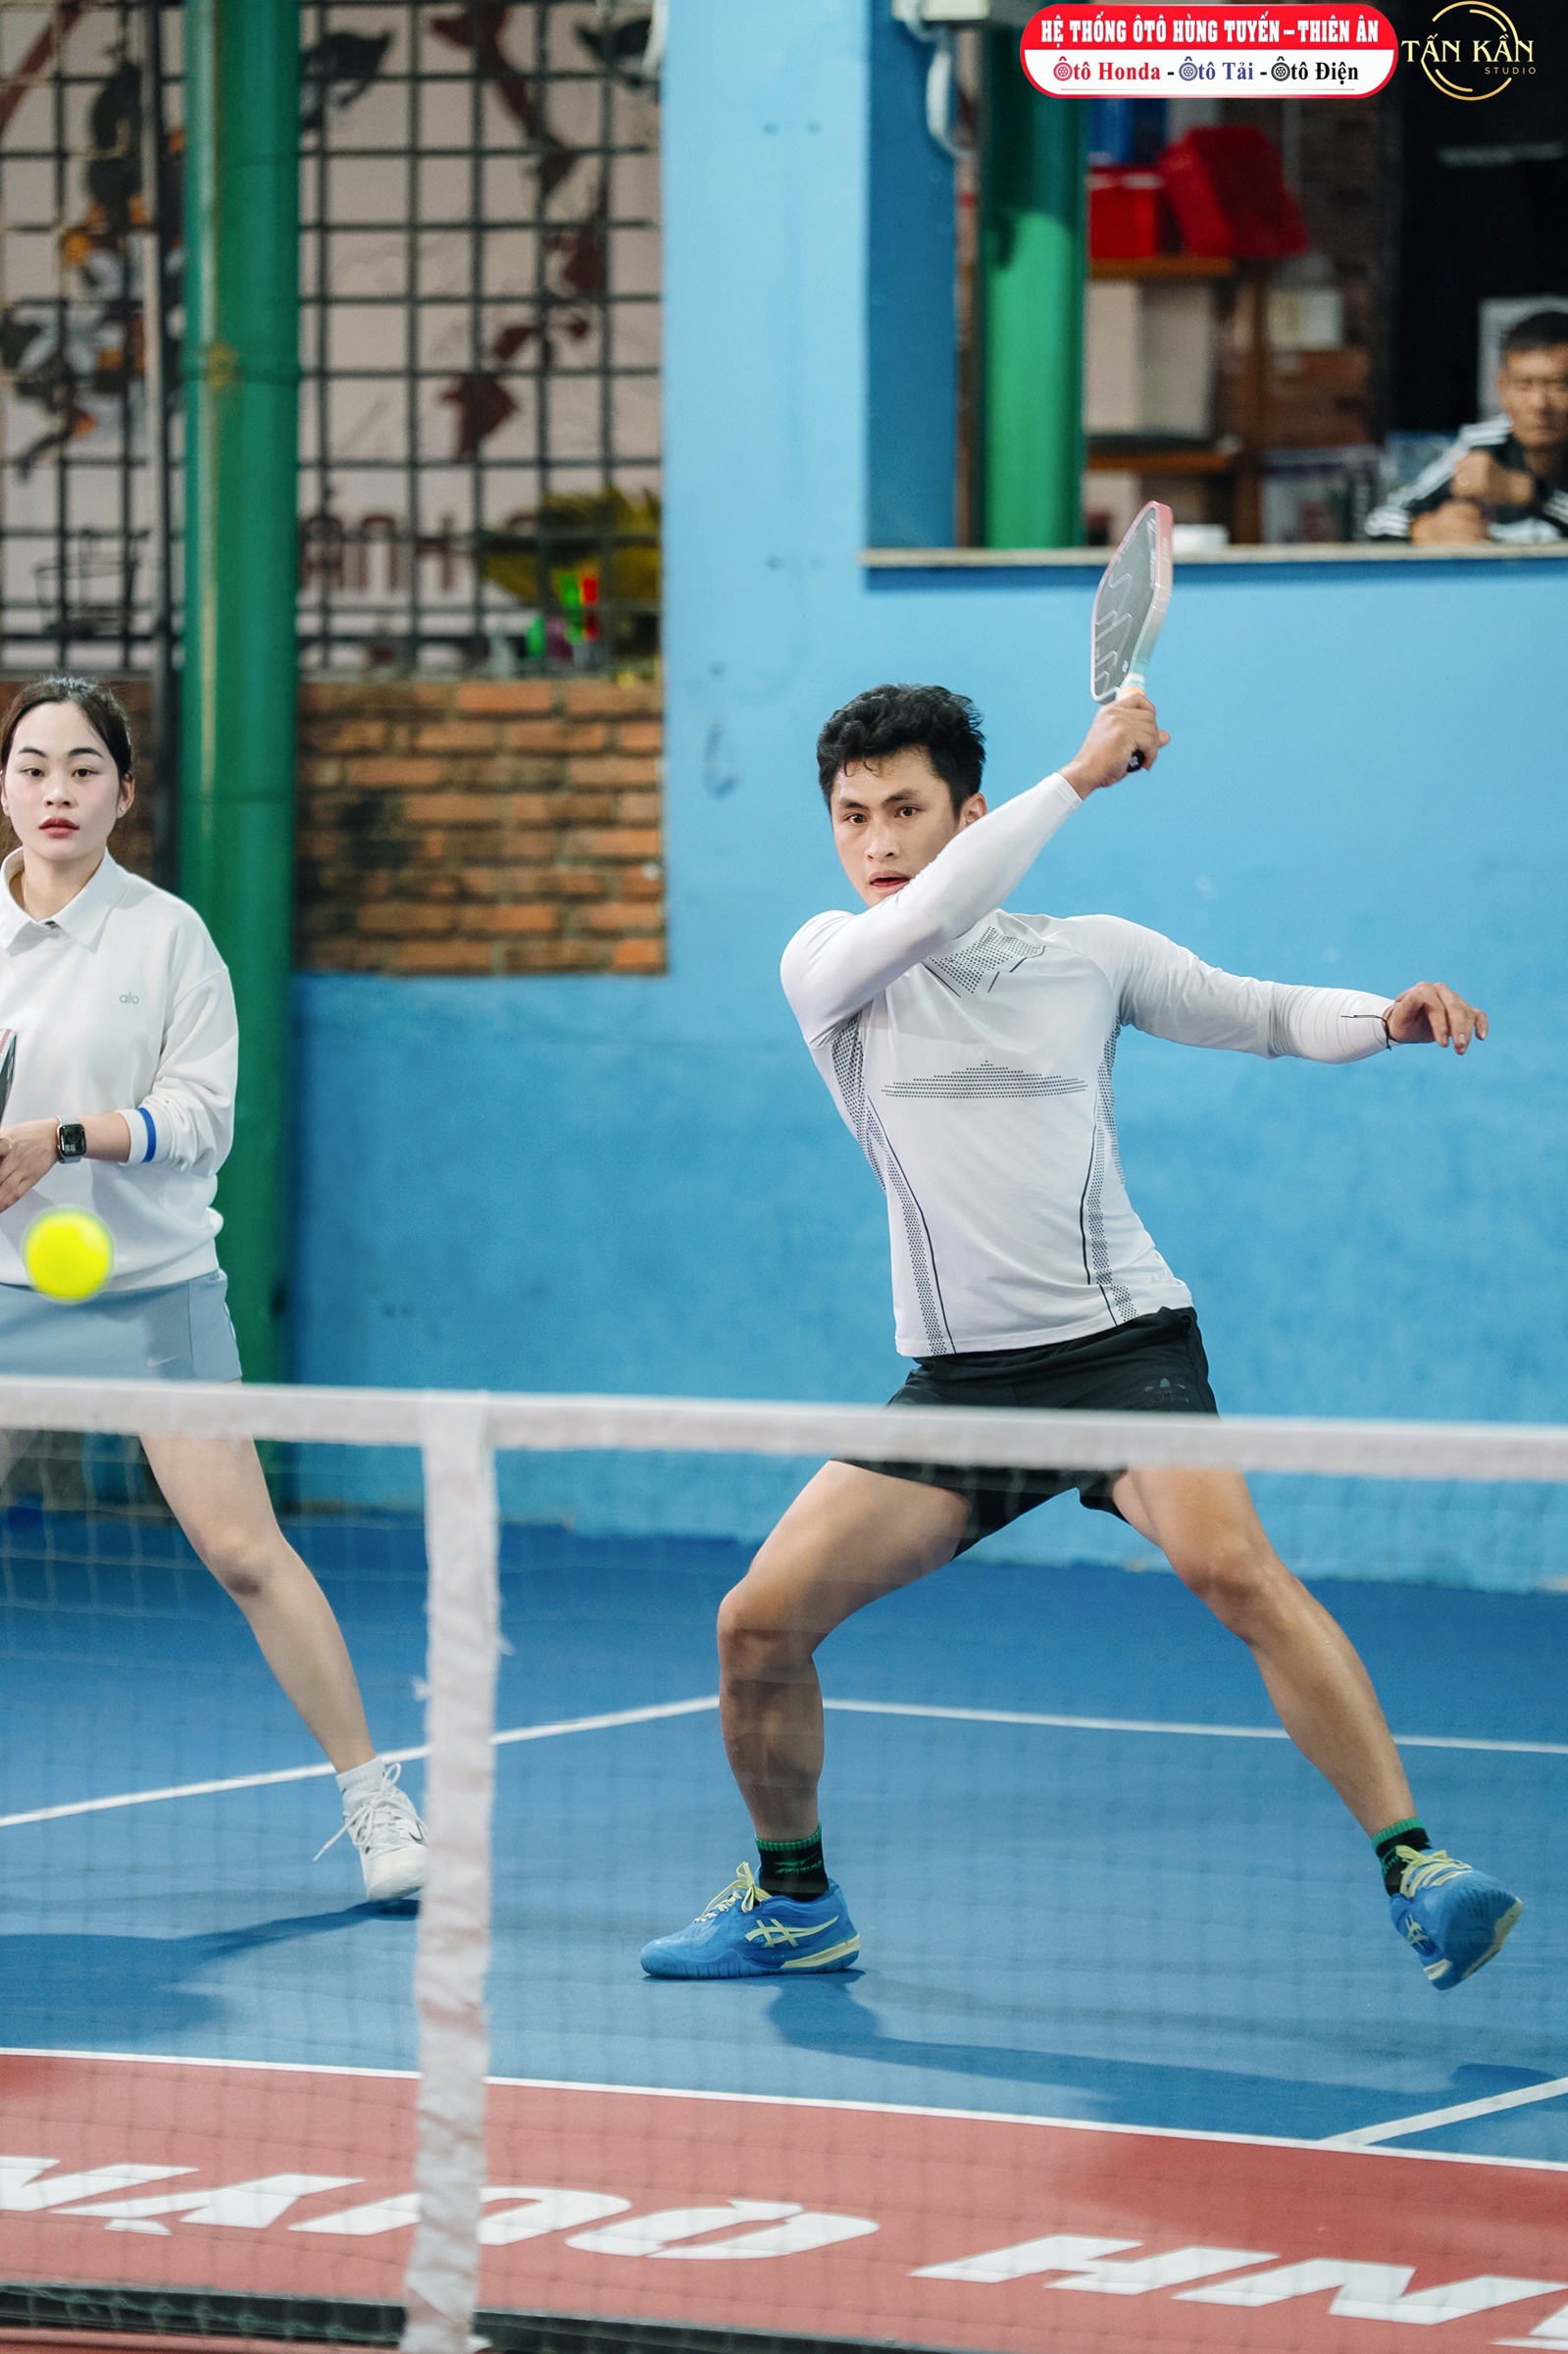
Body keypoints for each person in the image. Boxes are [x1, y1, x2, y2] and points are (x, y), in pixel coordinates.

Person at [640, 683, 1520, 1991]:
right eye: (851, 816)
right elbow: (927, 917)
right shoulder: (827, 964)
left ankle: (1416, 1868)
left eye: (904, 810)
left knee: (1232, 1572)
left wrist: (1379, 1019)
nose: (875, 841)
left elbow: (1262, 1013)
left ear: (969, 813)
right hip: (962, 1388)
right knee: (754, 1626)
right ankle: (793, 1901)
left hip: (1120, 1353)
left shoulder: (1088, 955)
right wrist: (1083, 774)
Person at [0, 675, 427, 1905]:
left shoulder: (169, 938)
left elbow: (201, 1120)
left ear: (126, 793)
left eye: (85, 769)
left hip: (150, 1297)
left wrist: (60, 1140)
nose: (58, 791)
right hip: (6, 1297)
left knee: (244, 1553)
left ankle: (375, 1801)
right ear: (4, 790)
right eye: (33, 767)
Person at [1366, 308, 1568, 543]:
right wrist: (1426, 528)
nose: (1539, 404)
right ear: (1502, 386)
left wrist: (1528, 492)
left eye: (1559, 386)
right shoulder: (1483, 444)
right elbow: (1378, 521)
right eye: (1524, 385)